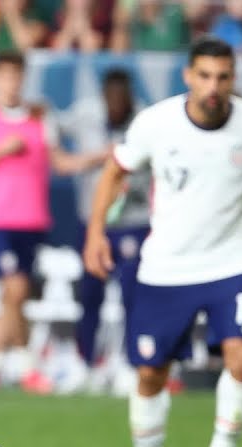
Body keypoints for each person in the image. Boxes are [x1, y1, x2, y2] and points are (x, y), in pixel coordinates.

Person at [83, 36, 242, 447]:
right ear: (188, 75)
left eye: (222, 77)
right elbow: (114, 171)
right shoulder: (156, 123)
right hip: (166, 266)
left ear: (233, 79)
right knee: (149, 373)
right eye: (204, 76)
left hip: (233, 261)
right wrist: (95, 233)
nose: (213, 86)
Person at [0, 50, 106, 393]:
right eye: (4, 76)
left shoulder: (39, 117)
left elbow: (61, 163)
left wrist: (101, 158)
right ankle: (11, 366)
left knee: (14, 294)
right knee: (15, 287)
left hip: (32, 218)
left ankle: (3, 367)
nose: (11, 84)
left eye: (16, 76)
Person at [61, 68, 150, 394]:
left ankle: (130, 363)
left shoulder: (144, 122)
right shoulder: (86, 115)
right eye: (110, 97)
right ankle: (84, 362)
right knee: (89, 295)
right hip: (93, 221)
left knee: (133, 296)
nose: (115, 103)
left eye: (120, 97)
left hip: (133, 221)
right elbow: (54, 129)